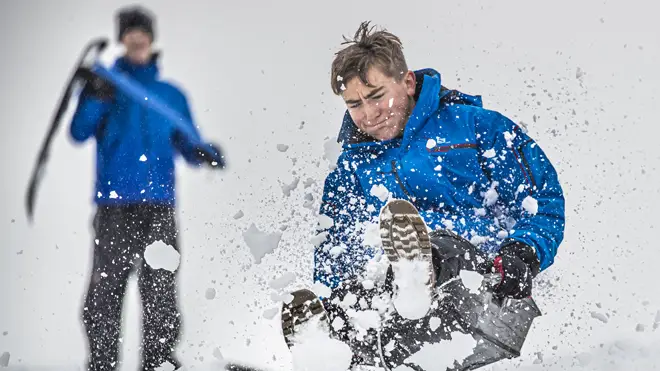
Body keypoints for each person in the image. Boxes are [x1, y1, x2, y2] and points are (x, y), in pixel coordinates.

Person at [281, 21, 565, 369]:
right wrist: (331, 297)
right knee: (357, 294)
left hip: (484, 282)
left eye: (375, 96)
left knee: (439, 251)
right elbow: (335, 246)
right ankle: (328, 349)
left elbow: (541, 197)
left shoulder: (475, 128)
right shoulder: (351, 168)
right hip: (397, 300)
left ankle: (416, 275)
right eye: (354, 105)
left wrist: (524, 251)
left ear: (408, 82)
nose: (368, 115)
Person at [70, 5, 224, 371]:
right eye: (130, 33)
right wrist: (94, 95)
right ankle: (102, 364)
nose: (137, 39)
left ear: (152, 39)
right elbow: (78, 133)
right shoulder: (106, 86)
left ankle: (158, 364)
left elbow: (187, 143)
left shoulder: (171, 95)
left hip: (159, 208)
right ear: (122, 39)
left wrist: (206, 152)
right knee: (104, 294)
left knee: (160, 294)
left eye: (143, 33)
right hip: (114, 209)